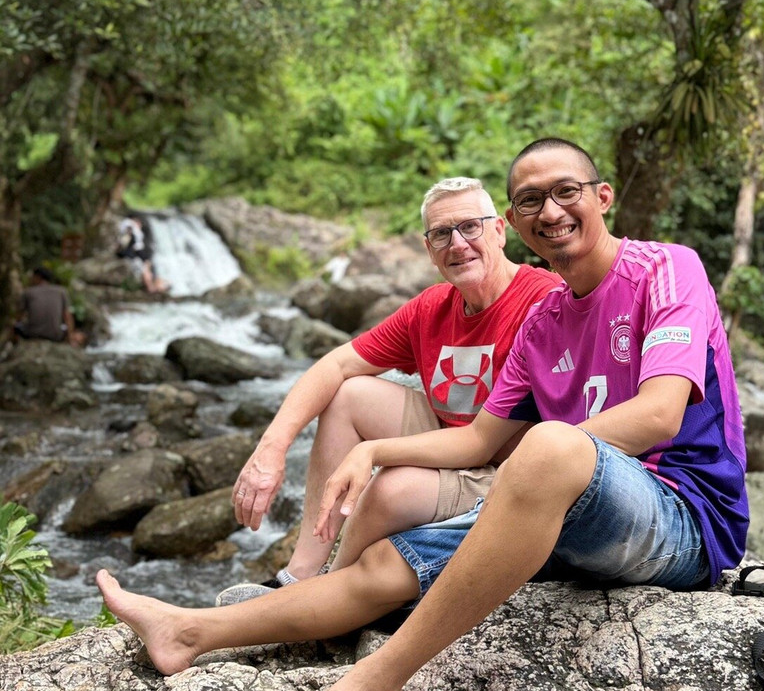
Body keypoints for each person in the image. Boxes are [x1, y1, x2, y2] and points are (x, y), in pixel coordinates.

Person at [95, 138, 747, 690]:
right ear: (517, 225)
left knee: (547, 448)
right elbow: (479, 440)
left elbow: (660, 415)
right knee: (384, 565)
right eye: (531, 201)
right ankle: (188, 631)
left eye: (566, 191)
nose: (550, 210)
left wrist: (538, 460)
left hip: (683, 520)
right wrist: (374, 451)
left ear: (602, 197)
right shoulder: (544, 323)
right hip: (570, 508)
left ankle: (372, 679)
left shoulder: (666, 269)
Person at [217, 176, 561, 602]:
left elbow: (484, 444)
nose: (457, 244)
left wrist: (375, 454)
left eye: (470, 226)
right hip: (450, 441)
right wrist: (272, 447)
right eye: (441, 234)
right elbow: (336, 363)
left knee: (389, 488)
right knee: (349, 394)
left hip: (504, 468)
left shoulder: (544, 299)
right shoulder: (432, 307)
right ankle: (299, 577)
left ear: (498, 230)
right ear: (428, 249)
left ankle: (321, 601)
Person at [12, 266, 83, 346]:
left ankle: (14, 346)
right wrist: (70, 338)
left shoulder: (28, 292)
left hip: (32, 334)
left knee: (16, 326)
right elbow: (67, 316)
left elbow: (18, 317)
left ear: (37, 277)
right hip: (56, 335)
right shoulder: (62, 291)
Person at [116, 215, 169, 294]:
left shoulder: (131, 228)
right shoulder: (130, 226)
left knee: (147, 267)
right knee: (146, 268)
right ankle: (151, 287)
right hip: (133, 253)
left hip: (136, 253)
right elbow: (129, 241)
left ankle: (154, 286)